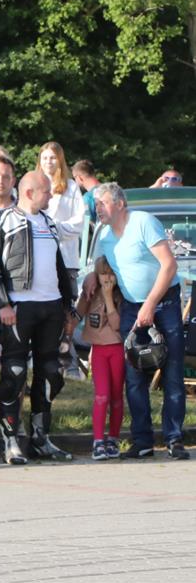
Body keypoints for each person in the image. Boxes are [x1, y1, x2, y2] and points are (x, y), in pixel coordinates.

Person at [0, 171, 77, 464]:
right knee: (15, 372)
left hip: (51, 307)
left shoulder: (49, 222)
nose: (51, 195)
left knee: (51, 372)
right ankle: (10, 440)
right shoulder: (1, 221)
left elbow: (59, 265)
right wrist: (2, 304)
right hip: (19, 308)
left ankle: (40, 438)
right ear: (30, 192)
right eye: (46, 191)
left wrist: (68, 306)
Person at [91, 182, 187, 459]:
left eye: (103, 203)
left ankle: (173, 438)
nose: (98, 209)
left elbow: (169, 265)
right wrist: (90, 279)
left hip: (164, 303)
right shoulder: (104, 235)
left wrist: (151, 304)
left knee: (172, 373)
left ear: (120, 203)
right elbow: (100, 264)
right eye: (96, 205)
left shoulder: (143, 222)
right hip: (133, 307)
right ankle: (142, 440)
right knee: (134, 376)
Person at [76, 256, 125, 461]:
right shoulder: (91, 290)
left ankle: (113, 438)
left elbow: (116, 325)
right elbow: (78, 313)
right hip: (99, 350)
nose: (107, 278)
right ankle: (98, 440)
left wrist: (108, 297)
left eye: (111, 274)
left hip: (117, 349)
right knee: (102, 396)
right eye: (103, 274)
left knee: (116, 397)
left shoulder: (121, 294)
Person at [38, 141, 87, 274]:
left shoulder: (71, 186)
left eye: (53, 158)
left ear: (60, 160)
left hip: (66, 258)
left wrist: (54, 229)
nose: (48, 161)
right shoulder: (33, 185)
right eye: (45, 158)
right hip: (40, 258)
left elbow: (79, 222)